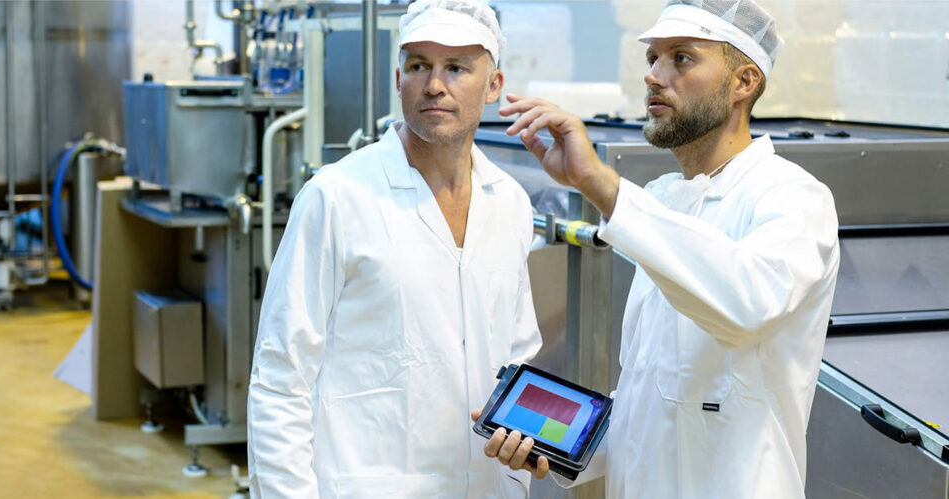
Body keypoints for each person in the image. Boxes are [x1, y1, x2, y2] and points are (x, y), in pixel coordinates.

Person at [479, 0, 840, 497]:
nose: (654, 76)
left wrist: (601, 185)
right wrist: (556, 446)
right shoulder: (664, 199)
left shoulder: (792, 197)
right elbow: (651, 403)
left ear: (744, 82)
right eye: (652, 58)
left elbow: (746, 304)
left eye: (682, 58)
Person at [247, 1, 542, 497]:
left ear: (493, 85)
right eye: (419, 66)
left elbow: (517, 353)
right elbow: (281, 378)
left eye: (457, 68)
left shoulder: (508, 201)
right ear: (398, 76)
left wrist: (521, 448)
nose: (434, 85)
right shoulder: (337, 197)